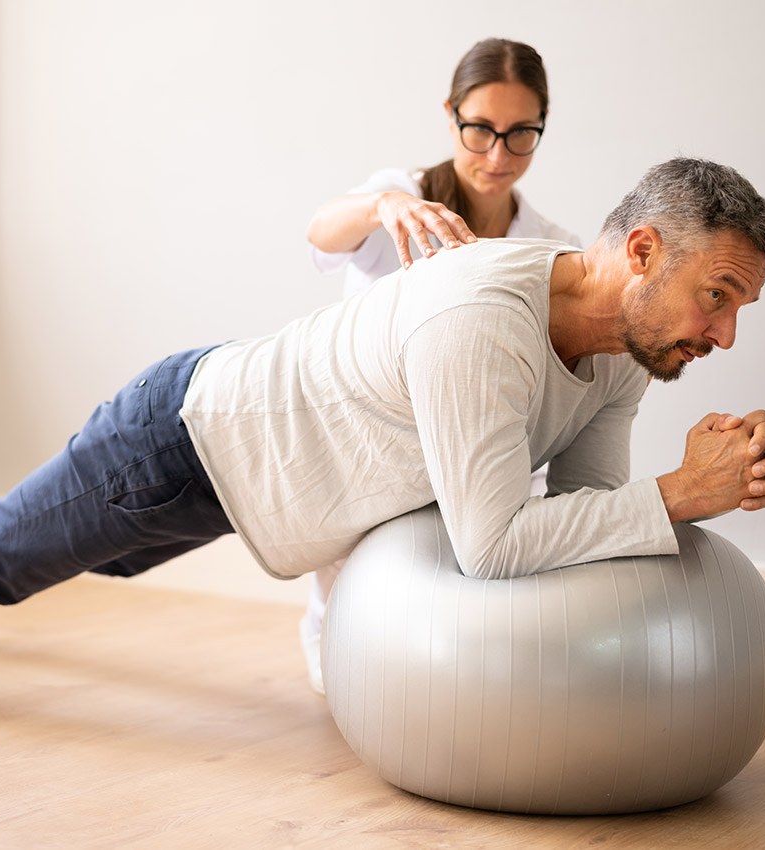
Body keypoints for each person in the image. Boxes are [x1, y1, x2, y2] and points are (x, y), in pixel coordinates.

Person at [0, 157, 765, 685]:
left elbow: (582, 512)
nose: (725, 338)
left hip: (250, 477)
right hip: (181, 444)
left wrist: (711, 481)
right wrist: (674, 496)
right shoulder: (484, 318)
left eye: (740, 310)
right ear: (646, 253)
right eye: (720, 296)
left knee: (56, 562)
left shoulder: (620, 354)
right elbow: (495, 546)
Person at [299, 37, 577, 692]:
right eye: (480, 130)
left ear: (541, 128)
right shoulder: (405, 197)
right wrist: (384, 207)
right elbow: (319, 232)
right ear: (451, 114)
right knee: (356, 634)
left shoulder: (551, 247)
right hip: (371, 448)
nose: (497, 156)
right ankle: (331, 633)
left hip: (474, 451)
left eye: (520, 135)